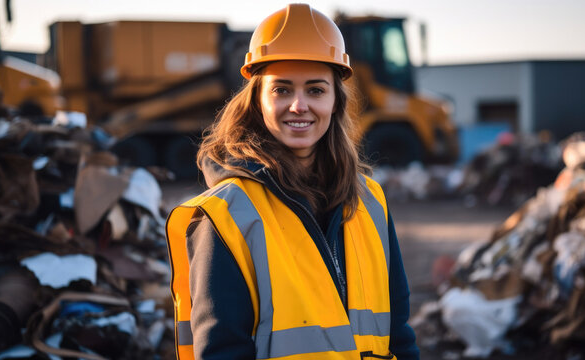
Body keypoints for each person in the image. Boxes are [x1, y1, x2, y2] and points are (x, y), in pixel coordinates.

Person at [166, 4, 419, 359]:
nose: (299, 105)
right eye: (282, 90)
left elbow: (399, 333)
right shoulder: (225, 216)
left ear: (336, 101)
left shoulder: (370, 200)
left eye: (315, 90)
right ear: (258, 100)